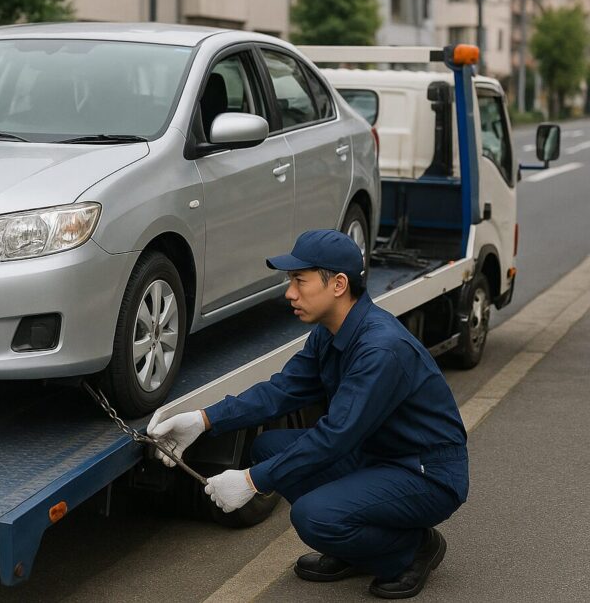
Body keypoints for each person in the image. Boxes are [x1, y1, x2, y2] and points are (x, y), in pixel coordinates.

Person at [148, 229, 469, 599]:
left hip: (425, 472)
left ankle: (413, 549)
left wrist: (251, 482)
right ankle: (357, 547)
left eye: (300, 281)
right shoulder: (330, 332)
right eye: (290, 281)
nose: (289, 293)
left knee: (314, 516)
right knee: (269, 447)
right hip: (378, 454)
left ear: (338, 285)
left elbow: (336, 436)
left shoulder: (381, 349)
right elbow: (282, 389)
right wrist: (204, 420)